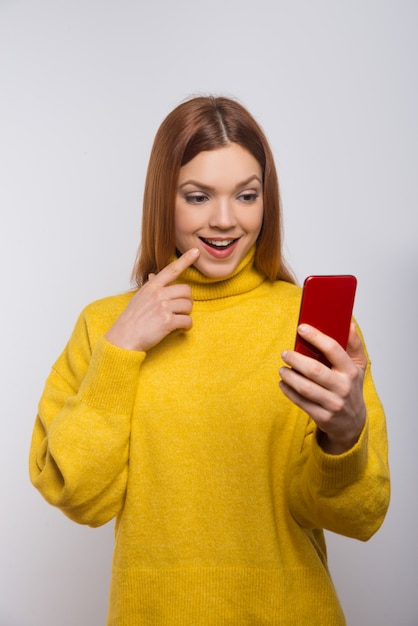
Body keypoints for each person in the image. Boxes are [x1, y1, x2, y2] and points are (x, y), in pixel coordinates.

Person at [29, 95, 390, 625]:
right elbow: (77, 494)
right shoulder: (105, 325)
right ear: (162, 199)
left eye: (246, 195)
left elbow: (360, 516)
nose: (225, 221)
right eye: (198, 196)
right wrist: (121, 348)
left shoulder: (307, 323)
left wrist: (345, 435)